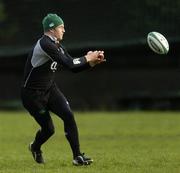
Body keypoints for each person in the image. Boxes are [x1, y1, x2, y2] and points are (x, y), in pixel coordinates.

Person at [20, 13, 105, 166]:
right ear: (52, 29)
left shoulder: (56, 44)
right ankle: (35, 147)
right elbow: (70, 63)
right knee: (49, 129)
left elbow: (73, 66)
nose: (64, 30)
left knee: (68, 116)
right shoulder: (45, 44)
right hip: (33, 95)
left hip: (49, 89)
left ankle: (77, 156)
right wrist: (88, 57)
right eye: (61, 27)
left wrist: (92, 62)